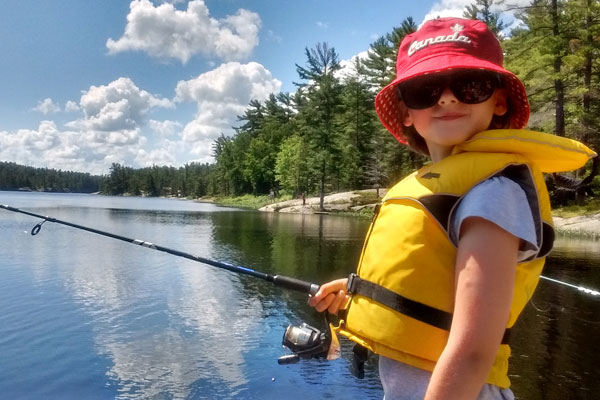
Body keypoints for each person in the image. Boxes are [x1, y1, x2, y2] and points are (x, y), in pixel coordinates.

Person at [308, 17, 595, 400]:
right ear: (407, 111)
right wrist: (364, 291)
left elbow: (474, 351)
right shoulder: (444, 185)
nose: (446, 98)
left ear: (499, 101)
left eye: (469, 85)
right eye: (425, 89)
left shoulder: (495, 192)